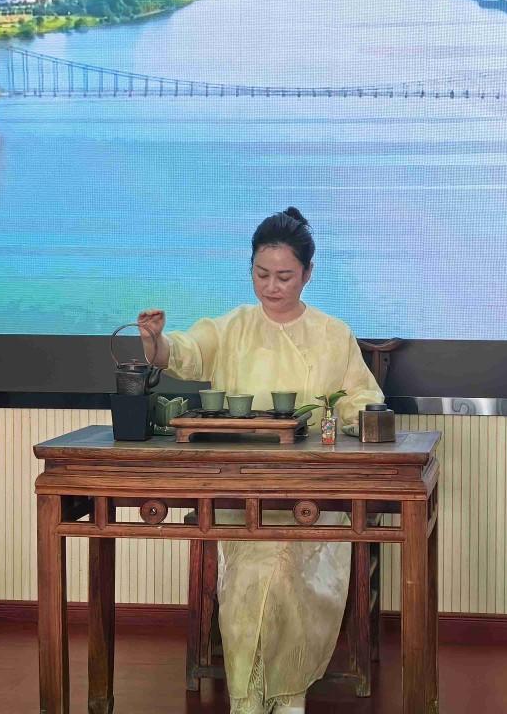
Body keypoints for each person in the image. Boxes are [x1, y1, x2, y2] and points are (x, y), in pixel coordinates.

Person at [137, 207, 383, 714]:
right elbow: (184, 351)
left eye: (284, 276)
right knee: (255, 564)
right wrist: (155, 341)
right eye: (262, 274)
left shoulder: (333, 333)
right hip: (240, 489)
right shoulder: (233, 327)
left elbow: (362, 398)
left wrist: (352, 417)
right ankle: (256, 697)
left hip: (312, 492)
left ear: (308, 274)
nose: (272, 287)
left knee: (285, 563)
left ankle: (279, 694)